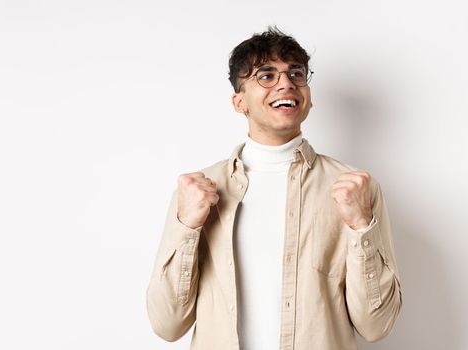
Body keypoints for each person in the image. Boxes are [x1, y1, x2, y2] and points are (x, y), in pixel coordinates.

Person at [145, 26, 402, 350]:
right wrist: (188, 225)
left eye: (296, 73)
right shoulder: (199, 190)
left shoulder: (354, 187)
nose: (286, 83)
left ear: (307, 96)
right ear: (239, 102)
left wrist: (361, 225)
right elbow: (167, 325)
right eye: (266, 75)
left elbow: (377, 326)